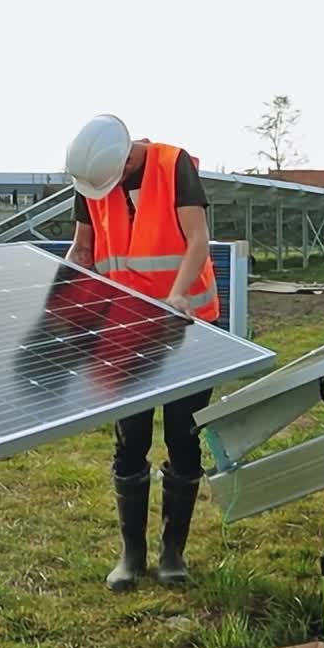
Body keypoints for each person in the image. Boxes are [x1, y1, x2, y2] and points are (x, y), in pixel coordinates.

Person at [63, 113, 219, 592]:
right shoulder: (92, 180)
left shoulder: (173, 166)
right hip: (123, 331)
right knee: (130, 439)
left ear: (128, 155)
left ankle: (173, 552)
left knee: (182, 437)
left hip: (186, 323)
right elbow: (82, 249)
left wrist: (176, 294)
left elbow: (197, 238)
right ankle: (131, 554)